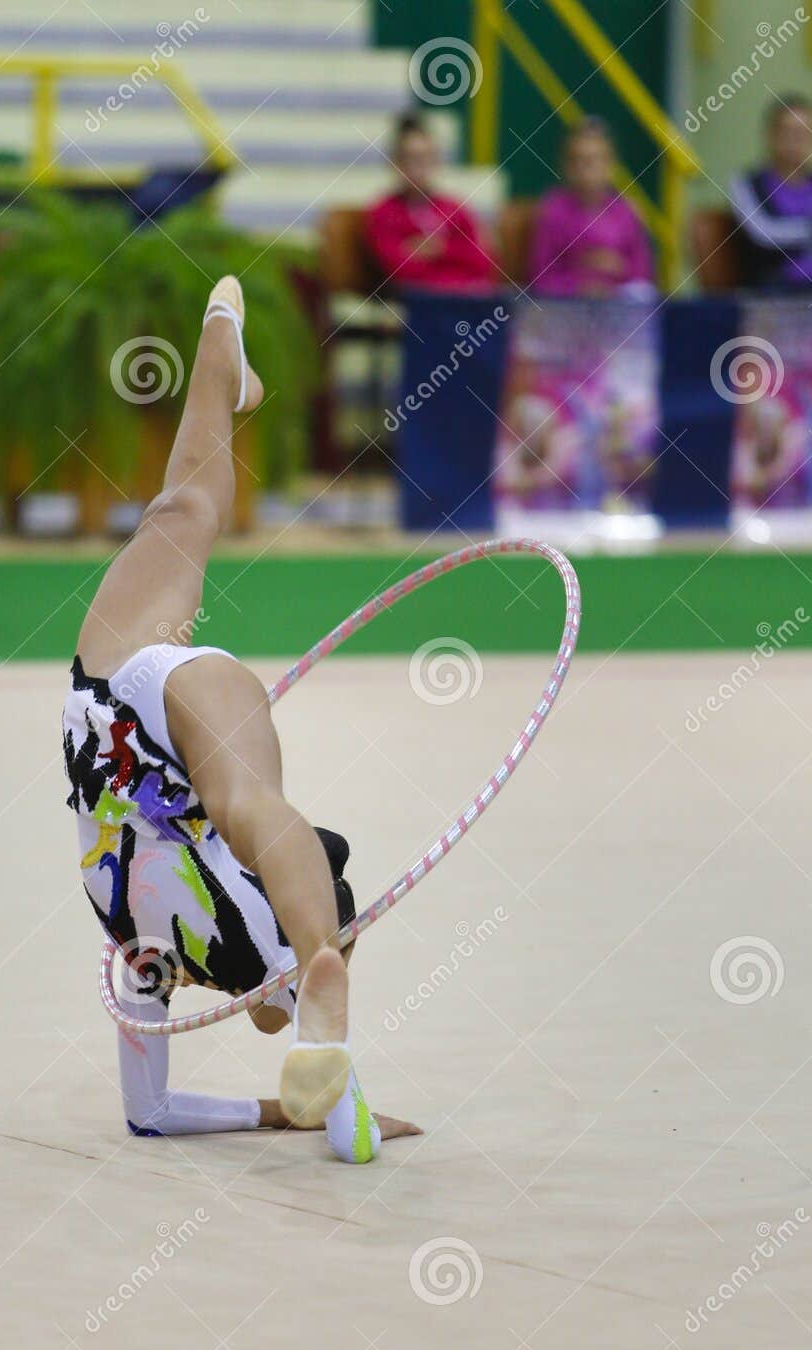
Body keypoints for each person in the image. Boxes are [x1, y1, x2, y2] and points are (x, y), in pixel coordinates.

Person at [62, 277, 420, 1164]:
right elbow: (152, 1109)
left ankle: (221, 360)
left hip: (160, 741)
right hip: (107, 718)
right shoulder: (136, 958)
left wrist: (305, 1108)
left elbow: (153, 1118)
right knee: (247, 806)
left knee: (250, 806)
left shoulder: (200, 953)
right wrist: (320, 1097)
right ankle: (219, 359)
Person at [364, 113, 497, 293]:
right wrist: (452, 258)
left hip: (464, 297)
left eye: (426, 158)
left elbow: (482, 263)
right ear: (396, 163)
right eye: (411, 159)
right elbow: (398, 271)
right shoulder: (384, 213)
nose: (419, 168)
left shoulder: (454, 209)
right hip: (420, 302)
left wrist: (440, 249)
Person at [529, 118, 654, 298]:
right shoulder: (552, 211)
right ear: (565, 165)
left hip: (619, 308)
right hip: (567, 309)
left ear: (610, 164)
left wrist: (620, 269)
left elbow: (643, 275)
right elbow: (540, 279)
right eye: (576, 160)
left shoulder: (627, 210)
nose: (584, 169)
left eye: (592, 160)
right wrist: (579, 285)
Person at [730, 95, 812, 291]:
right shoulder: (747, 183)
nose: (797, 141)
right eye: (790, 132)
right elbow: (764, 234)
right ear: (770, 135)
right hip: (774, 289)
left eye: (805, 133)